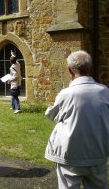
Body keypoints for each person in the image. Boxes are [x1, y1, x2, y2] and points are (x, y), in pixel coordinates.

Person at [45, 50, 109, 189]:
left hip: (70, 156)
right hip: (97, 153)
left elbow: (52, 116)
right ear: (90, 68)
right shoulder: (105, 92)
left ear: (70, 70)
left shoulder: (66, 94)